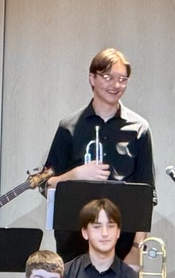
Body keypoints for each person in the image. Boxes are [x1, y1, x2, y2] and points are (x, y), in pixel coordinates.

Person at [43, 48, 155, 263]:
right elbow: (47, 185)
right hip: (73, 245)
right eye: (108, 77)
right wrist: (76, 174)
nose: (116, 85)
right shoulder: (69, 128)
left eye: (122, 79)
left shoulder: (140, 129)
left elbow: (147, 195)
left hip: (122, 247)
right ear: (92, 78)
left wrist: (135, 249)